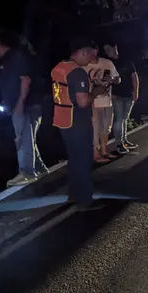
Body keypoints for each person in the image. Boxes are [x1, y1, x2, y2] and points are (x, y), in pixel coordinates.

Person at [51, 37, 107, 210]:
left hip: (62, 119)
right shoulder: (77, 72)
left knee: (74, 159)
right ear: (83, 52)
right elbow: (83, 101)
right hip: (77, 121)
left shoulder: (59, 67)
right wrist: (97, 91)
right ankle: (85, 200)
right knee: (83, 160)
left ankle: (74, 195)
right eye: (91, 55)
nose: (91, 59)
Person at [0, 31, 48, 186]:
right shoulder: (7, 59)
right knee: (28, 138)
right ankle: (39, 168)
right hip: (22, 105)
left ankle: (27, 172)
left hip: (27, 105)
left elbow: (25, 80)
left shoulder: (15, 58)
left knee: (22, 139)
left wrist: (19, 104)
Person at [83, 42, 120, 163]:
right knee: (94, 129)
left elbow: (118, 78)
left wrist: (113, 80)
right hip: (93, 103)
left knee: (106, 128)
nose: (91, 54)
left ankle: (104, 151)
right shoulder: (83, 66)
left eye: (93, 51)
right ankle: (95, 154)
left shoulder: (107, 63)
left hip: (107, 101)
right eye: (88, 51)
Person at [104, 41, 139, 154]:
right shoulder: (108, 63)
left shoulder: (126, 60)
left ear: (115, 47)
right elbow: (105, 80)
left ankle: (124, 140)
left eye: (109, 48)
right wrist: (111, 93)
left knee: (124, 118)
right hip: (116, 96)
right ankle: (119, 143)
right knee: (118, 119)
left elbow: (134, 76)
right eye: (105, 50)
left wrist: (135, 91)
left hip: (128, 94)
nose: (107, 52)